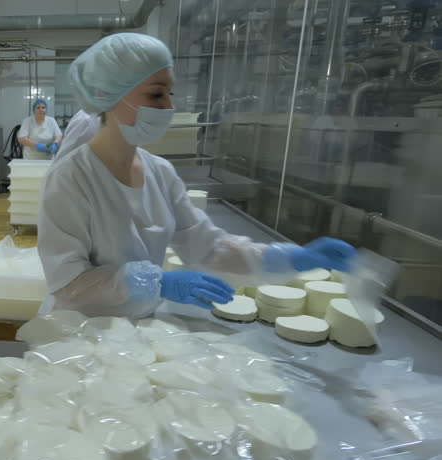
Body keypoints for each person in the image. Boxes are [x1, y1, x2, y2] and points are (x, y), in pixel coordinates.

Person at [38, 33, 356, 319]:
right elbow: (69, 285)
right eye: (156, 95)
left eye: (170, 94)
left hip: (135, 331)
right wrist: (153, 282)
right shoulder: (70, 178)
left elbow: (209, 248)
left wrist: (290, 259)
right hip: (78, 335)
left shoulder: (160, 173)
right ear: (110, 94)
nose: (169, 106)